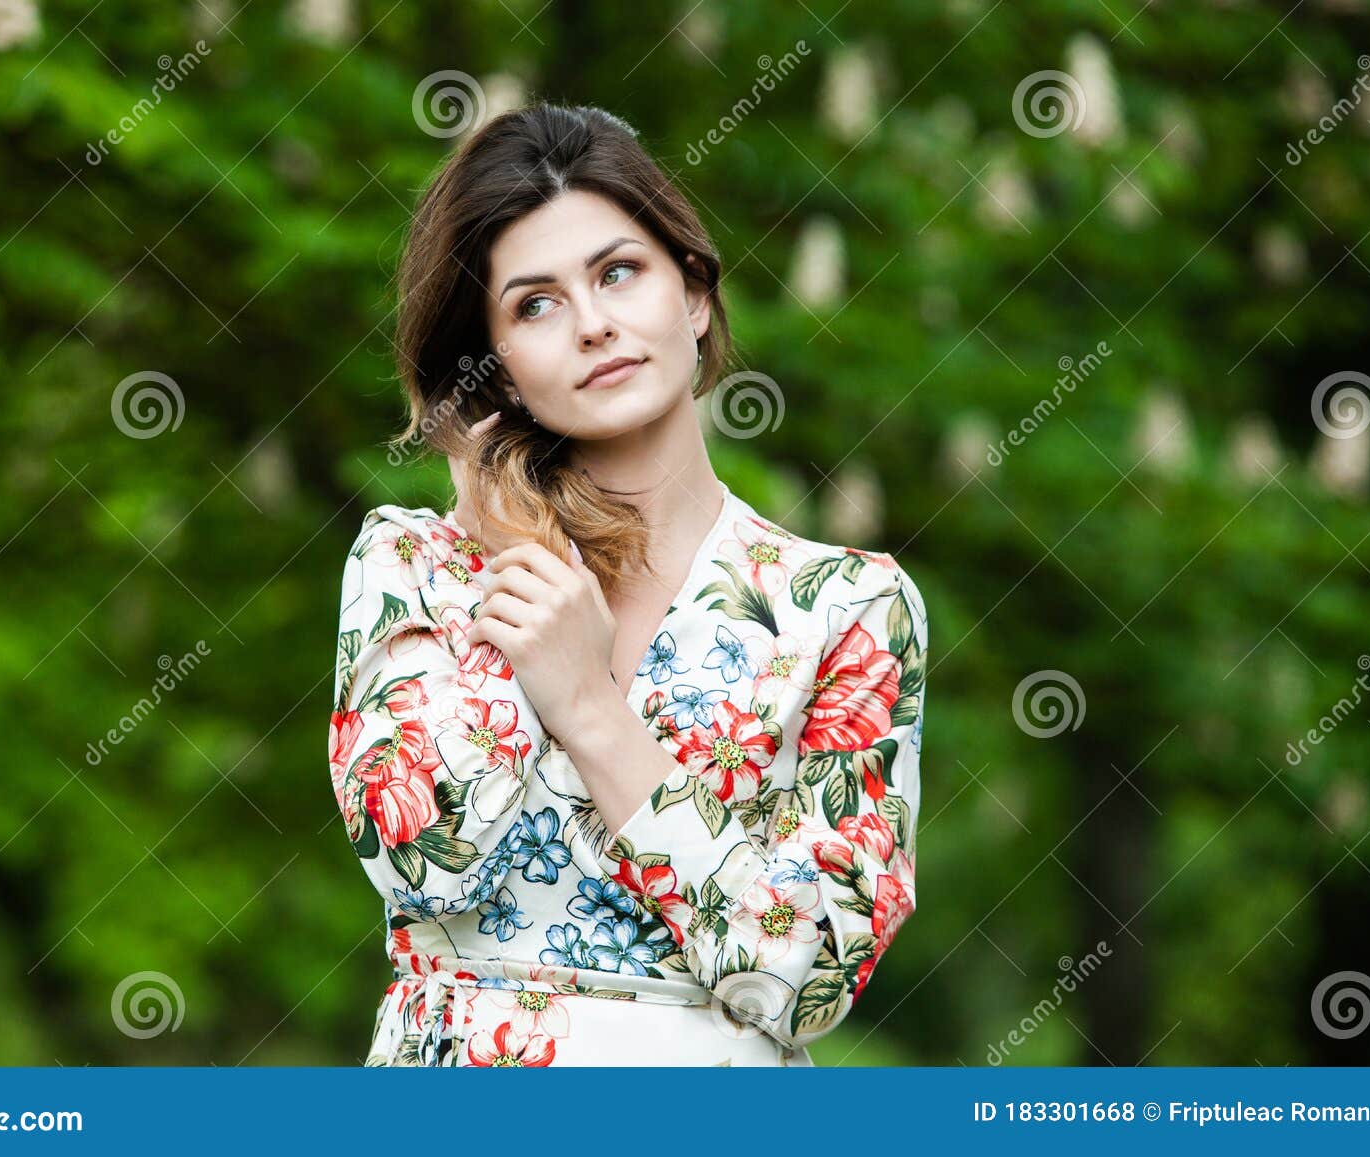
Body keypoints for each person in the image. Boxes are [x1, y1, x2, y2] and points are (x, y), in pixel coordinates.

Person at [327, 103, 928, 1067]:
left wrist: (590, 707)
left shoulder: (843, 608)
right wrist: (515, 543)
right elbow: (418, 863)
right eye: (535, 303)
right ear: (501, 370)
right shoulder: (419, 567)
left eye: (618, 273)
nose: (595, 323)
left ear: (692, 292)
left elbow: (810, 975)